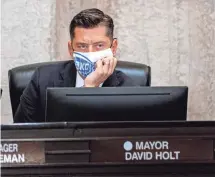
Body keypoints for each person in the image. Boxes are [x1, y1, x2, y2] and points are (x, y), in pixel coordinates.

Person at [14, 8, 136, 123]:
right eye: (82, 46)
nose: (90, 53)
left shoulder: (129, 89)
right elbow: (20, 136)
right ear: (71, 49)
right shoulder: (42, 80)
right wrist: (89, 87)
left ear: (113, 47)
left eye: (99, 45)